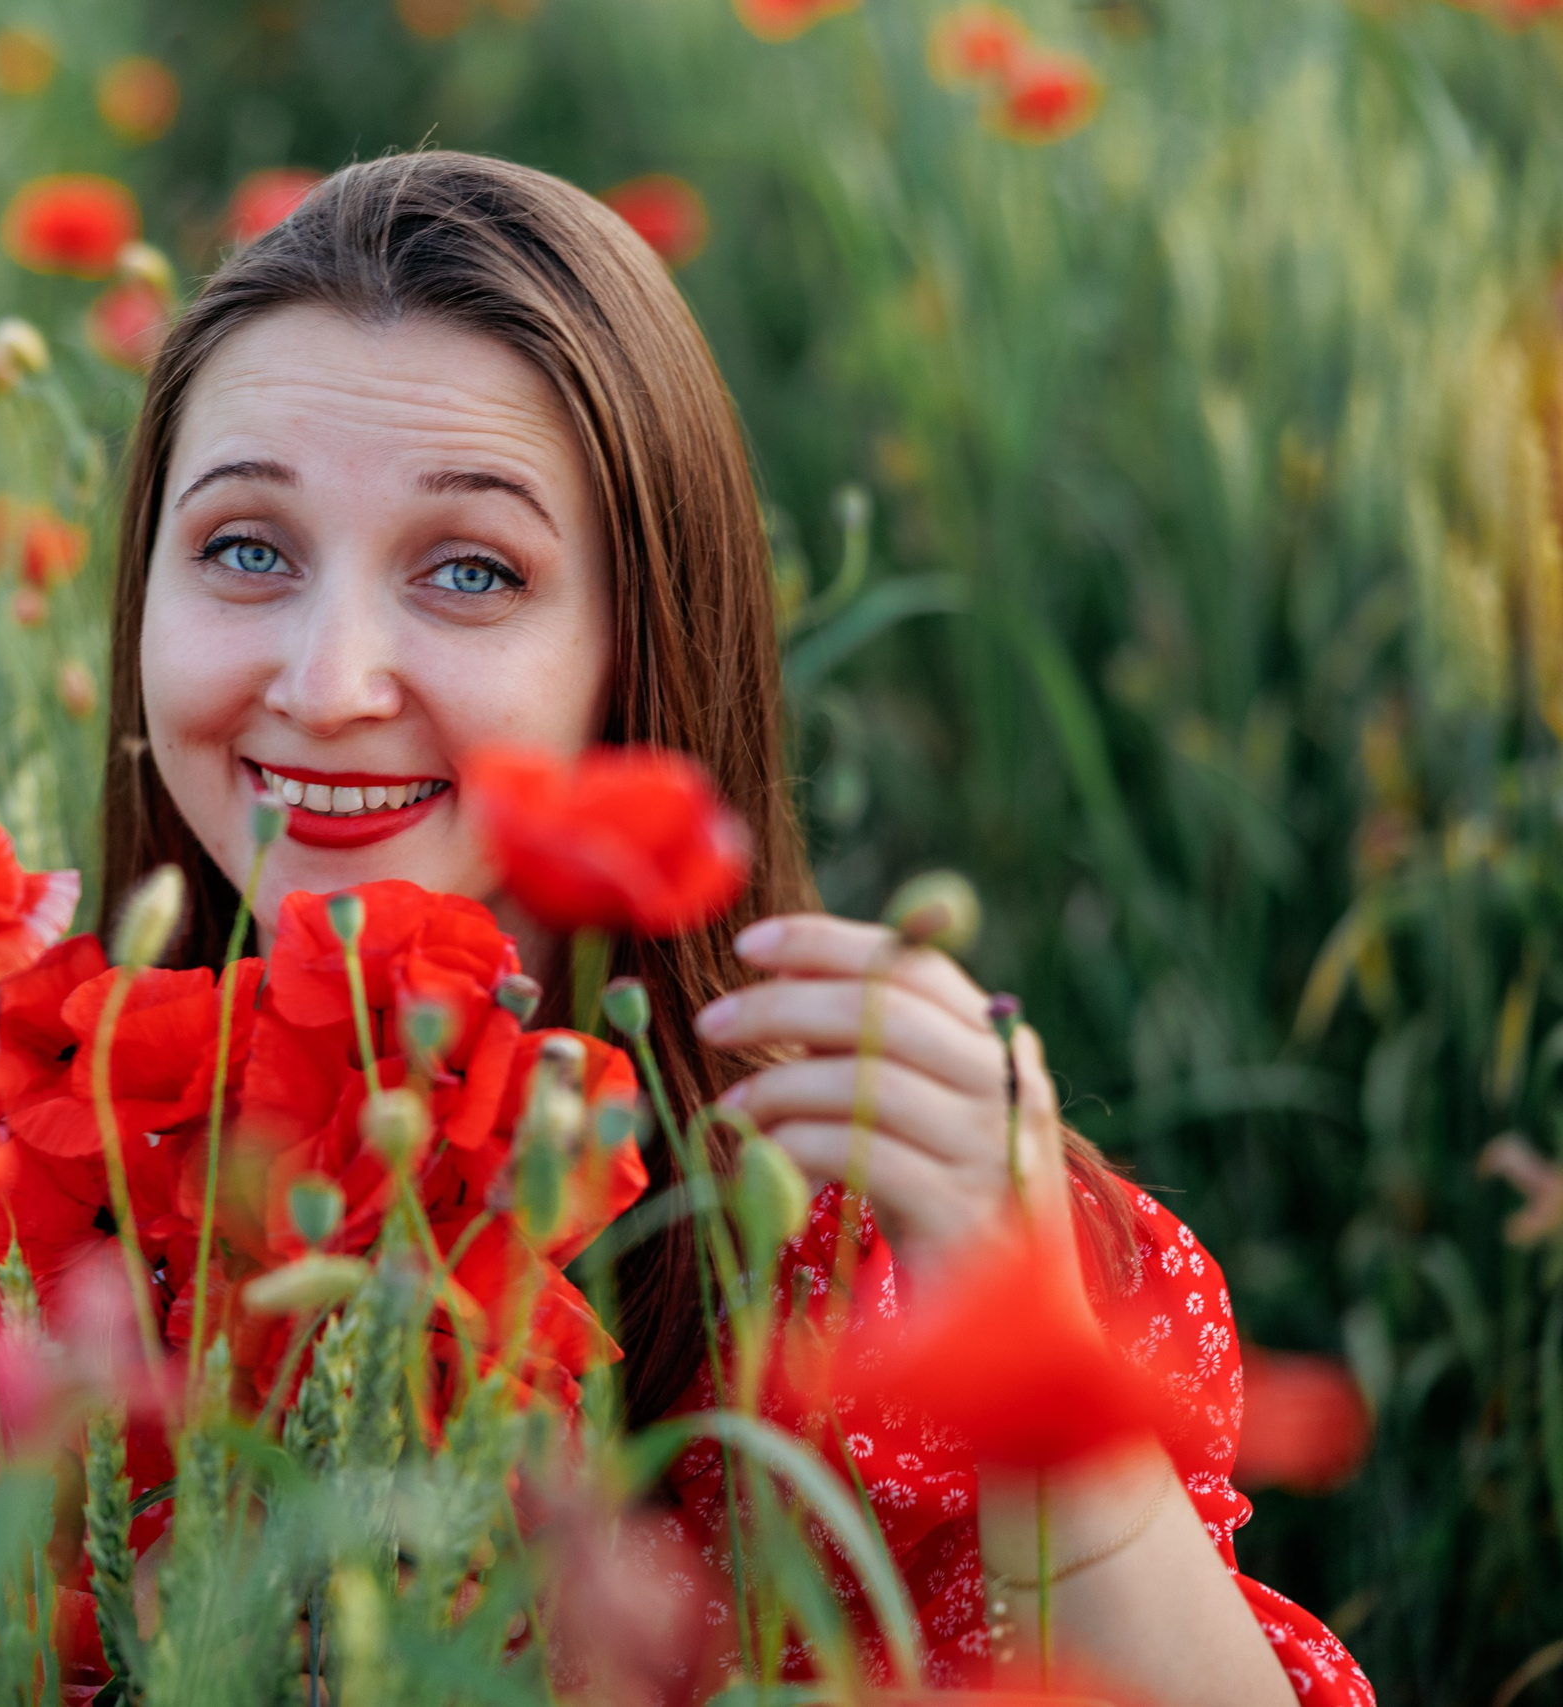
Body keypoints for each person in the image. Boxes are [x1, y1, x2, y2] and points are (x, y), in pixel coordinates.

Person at [84, 149, 1372, 1704]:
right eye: (244, 549)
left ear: (646, 651)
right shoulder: (18, 1180)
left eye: (473, 570)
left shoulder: (858, 1235)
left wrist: (1027, 1332)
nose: (328, 680)